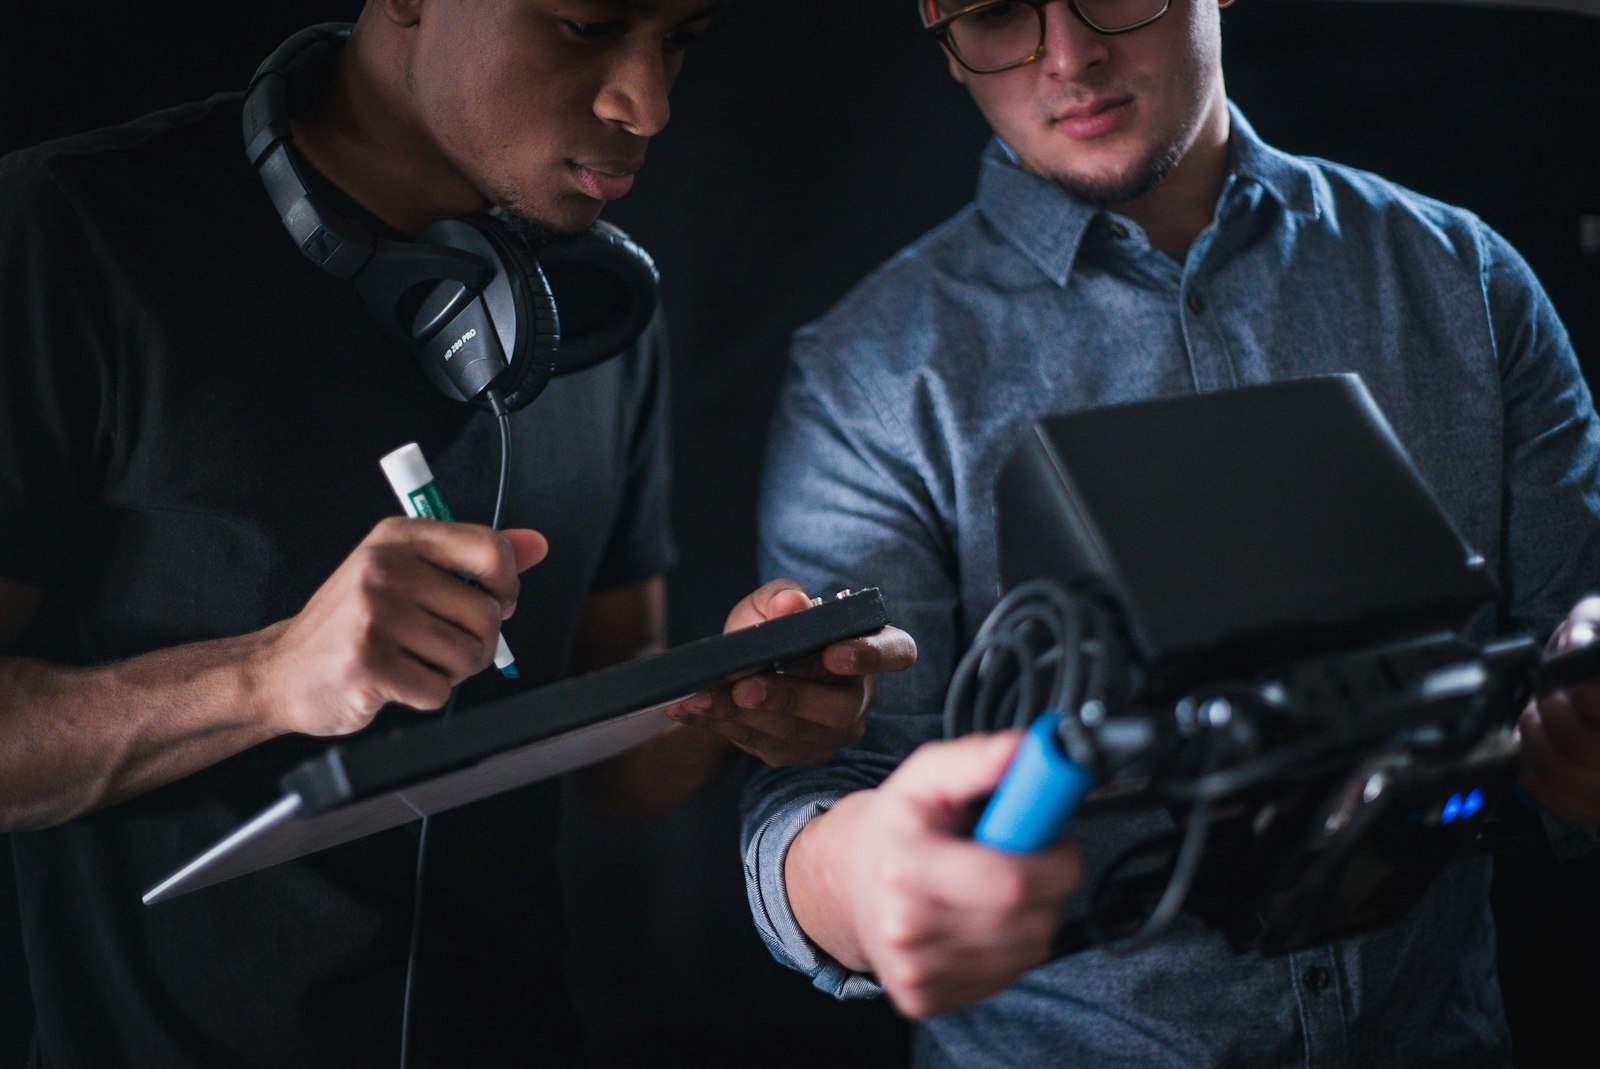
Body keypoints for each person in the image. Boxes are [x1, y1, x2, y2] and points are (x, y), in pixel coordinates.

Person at [0, 1, 916, 1065]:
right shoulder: (69, 235)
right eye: (584, 25)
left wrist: (743, 696)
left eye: (677, 41)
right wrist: (264, 677)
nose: (647, 102)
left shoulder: (592, 308)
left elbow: (616, 771)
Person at [737, 1, 1600, 1066]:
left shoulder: (1463, 282)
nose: (1069, 54)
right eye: (998, 10)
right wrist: (852, 883)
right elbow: (823, 784)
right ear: (937, 31)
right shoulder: (870, 377)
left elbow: (1574, 633)